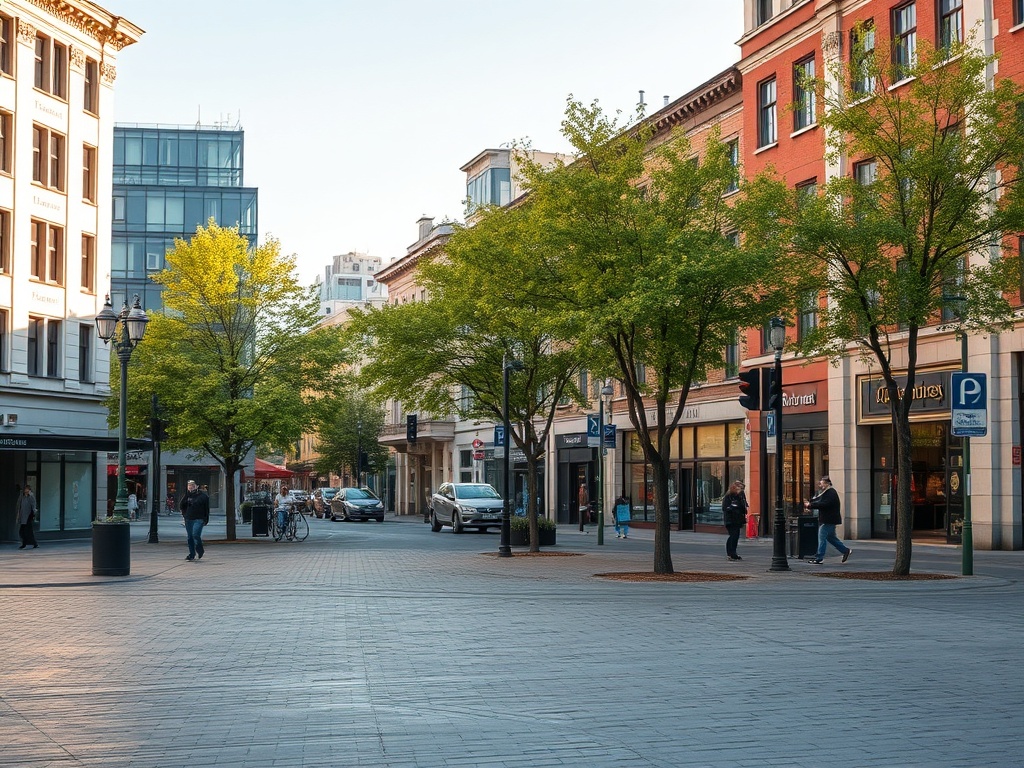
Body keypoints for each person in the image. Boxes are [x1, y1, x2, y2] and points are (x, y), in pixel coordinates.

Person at [804, 475, 852, 564]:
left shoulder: (831, 493)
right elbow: (819, 500)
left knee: (821, 537)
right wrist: (810, 503)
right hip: (830, 519)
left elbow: (824, 503)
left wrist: (810, 505)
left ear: (827, 484)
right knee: (831, 538)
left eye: (822, 484)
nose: (820, 486)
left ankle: (819, 557)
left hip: (829, 520)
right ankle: (845, 550)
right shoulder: (827, 492)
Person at [179, 479, 210, 561]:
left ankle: (200, 549)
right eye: (189, 485)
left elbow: (206, 509)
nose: (191, 487)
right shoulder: (187, 496)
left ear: (197, 486)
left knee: (195, 534)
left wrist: (206, 519)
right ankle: (191, 554)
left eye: (193, 485)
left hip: (199, 519)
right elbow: (181, 506)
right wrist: (186, 495)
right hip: (188, 519)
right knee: (190, 537)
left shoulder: (203, 496)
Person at [722, 480, 748, 561]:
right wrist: (733, 507)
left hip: (738, 519)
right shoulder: (729, 496)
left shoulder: (740, 496)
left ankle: (733, 553)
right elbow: (725, 508)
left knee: (736, 536)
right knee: (733, 536)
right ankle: (731, 553)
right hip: (731, 519)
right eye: (740, 489)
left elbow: (743, 507)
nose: (741, 491)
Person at [17, 484, 38, 549]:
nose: (25, 490)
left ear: (29, 490)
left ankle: (32, 543)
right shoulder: (22, 496)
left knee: (28, 531)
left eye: (26, 489)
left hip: (28, 516)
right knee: (22, 531)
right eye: (24, 489)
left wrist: (34, 514)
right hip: (23, 516)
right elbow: (19, 504)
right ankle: (25, 543)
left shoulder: (31, 496)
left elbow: (33, 505)